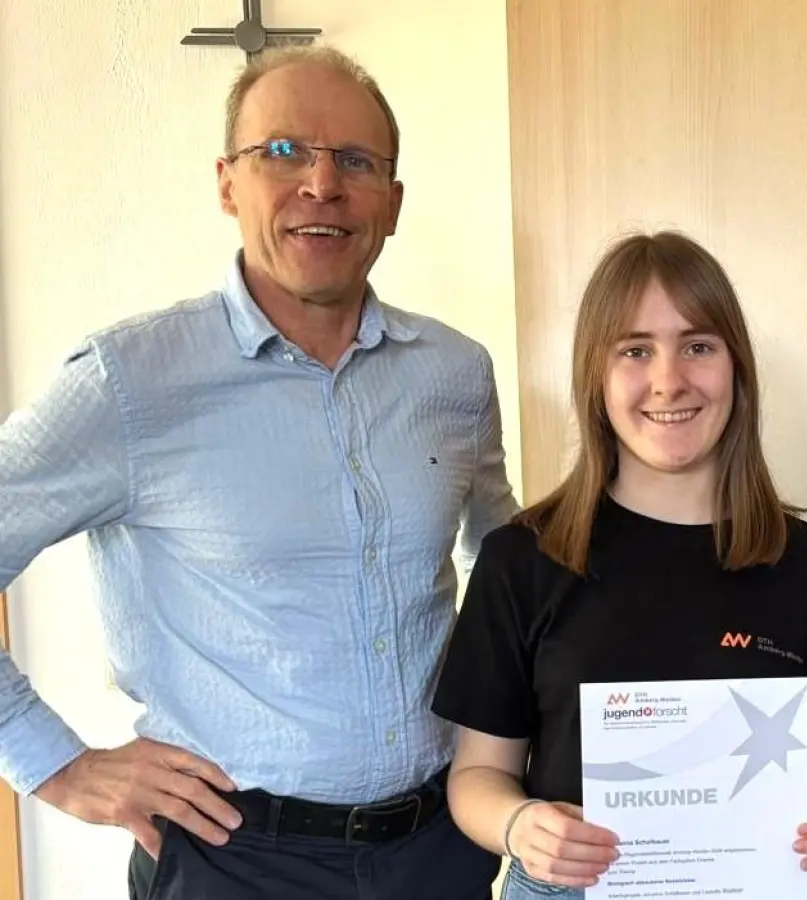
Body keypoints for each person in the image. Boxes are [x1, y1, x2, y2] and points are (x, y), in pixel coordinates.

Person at [0, 46, 517, 899]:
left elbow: (501, 568)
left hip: (438, 850)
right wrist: (56, 766)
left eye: (356, 160)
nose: (322, 184)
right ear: (226, 183)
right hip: (234, 862)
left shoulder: (455, 374)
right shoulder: (129, 381)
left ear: (392, 201)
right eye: (282, 151)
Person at [428, 230, 807, 898]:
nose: (668, 381)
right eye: (635, 350)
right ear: (596, 374)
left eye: (698, 346)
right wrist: (520, 824)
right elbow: (476, 777)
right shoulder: (522, 560)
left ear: (736, 369)